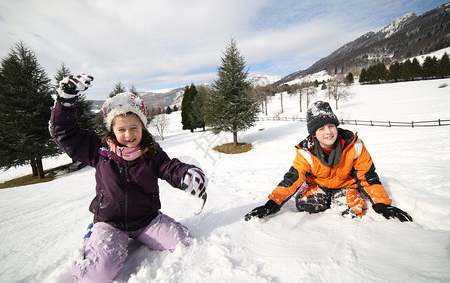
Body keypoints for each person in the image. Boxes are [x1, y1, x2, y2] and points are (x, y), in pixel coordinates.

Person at [49, 74, 208, 283]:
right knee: (96, 275)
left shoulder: (151, 152)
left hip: (146, 220)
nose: (128, 134)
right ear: (112, 130)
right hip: (110, 222)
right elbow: (65, 134)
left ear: (142, 127)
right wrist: (65, 102)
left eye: (134, 128)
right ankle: (92, 237)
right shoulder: (99, 151)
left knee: (184, 241)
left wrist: (187, 174)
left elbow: (170, 167)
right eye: (121, 129)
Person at [245, 100, 412, 222]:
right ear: (314, 134)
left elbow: (368, 176)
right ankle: (311, 190)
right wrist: (272, 203)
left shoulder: (354, 145)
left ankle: (343, 195)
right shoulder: (306, 152)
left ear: (336, 126)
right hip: (319, 184)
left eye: (331, 126)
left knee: (353, 211)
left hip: (346, 184)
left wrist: (382, 204)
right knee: (309, 206)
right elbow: (291, 179)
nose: (328, 132)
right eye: (321, 128)